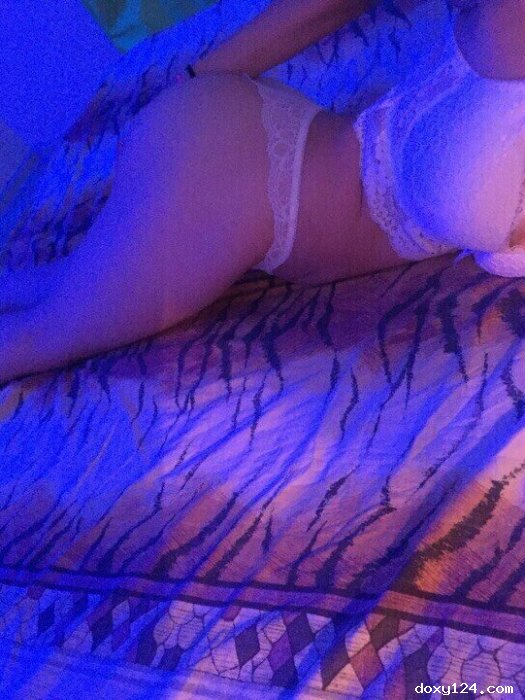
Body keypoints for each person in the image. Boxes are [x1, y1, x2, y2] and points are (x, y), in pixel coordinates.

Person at [0, 0, 524, 384]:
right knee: (38, 339)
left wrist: (195, 81)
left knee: (54, 289)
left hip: (242, 148)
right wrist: (194, 80)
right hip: (236, 181)